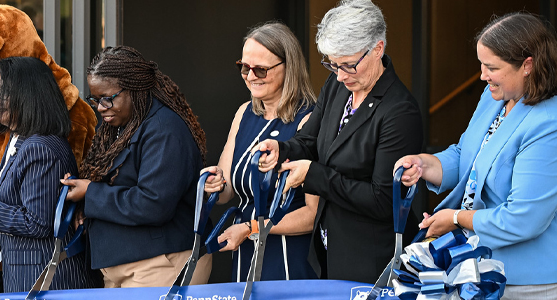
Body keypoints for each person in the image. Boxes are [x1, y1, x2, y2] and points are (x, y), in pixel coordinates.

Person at [396, 13, 557, 299]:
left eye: (491, 67)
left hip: (545, 282)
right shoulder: (496, 97)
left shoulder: (553, 125)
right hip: (489, 268)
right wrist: (426, 164)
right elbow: (468, 155)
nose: (482, 75)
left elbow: (522, 219)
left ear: (527, 65)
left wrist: (455, 218)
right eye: (481, 65)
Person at [254, 0, 424, 284]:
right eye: (333, 65)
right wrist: (281, 149)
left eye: (349, 65)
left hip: (371, 259)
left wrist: (314, 175)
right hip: (330, 248)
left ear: (378, 49)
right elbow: (310, 140)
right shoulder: (338, 86)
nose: (341, 75)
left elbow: (383, 201)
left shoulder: (399, 111)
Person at [60, 46, 209, 288]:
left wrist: (90, 192)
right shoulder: (118, 126)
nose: (100, 108)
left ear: (136, 88)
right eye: (96, 100)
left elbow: (153, 204)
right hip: (124, 264)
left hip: (159, 263)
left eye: (108, 98)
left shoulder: (164, 130)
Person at [0, 56, 97, 293]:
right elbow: (30, 203)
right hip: (31, 275)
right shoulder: (22, 139)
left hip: (48, 280)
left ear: (29, 97)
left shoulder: (41, 147)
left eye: (3, 92)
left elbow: (38, 222)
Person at [200, 21, 318, 281]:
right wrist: (214, 184)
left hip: (289, 259)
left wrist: (252, 227)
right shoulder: (244, 112)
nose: (251, 76)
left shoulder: (309, 121)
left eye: (261, 70)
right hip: (246, 252)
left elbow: (312, 214)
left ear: (289, 67)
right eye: (244, 67)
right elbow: (227, 190)